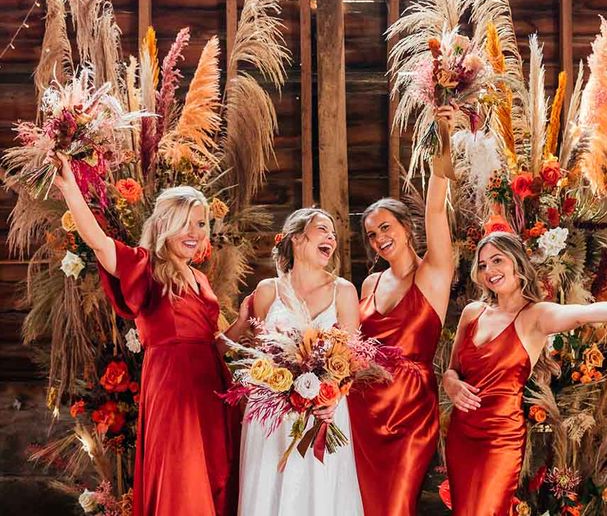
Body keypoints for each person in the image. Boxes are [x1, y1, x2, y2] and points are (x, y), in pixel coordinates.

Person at [52, 154, 240, 516]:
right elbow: (98, 242)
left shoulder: (199, 279)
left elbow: (214, 341)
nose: (194, 232)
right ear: (165, 225)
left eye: (200, 224)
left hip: (211, 387)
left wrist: (246, 322)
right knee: (182, 475)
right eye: (184, 223)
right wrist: (70, 187)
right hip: (173, 387)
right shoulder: (145, 264)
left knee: (217, 472)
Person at [443, 231, 607, 516]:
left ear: (517, 263)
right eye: (483, 264)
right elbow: (452, 370)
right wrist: (451, 384)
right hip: (461, 436)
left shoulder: (536, 315)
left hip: (500, 439)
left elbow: (583, 313)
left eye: (497, 260)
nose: (489, 271)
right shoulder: (473, 313)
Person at [348, 105, 457, 516]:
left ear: (406, 228)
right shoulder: (369, 284)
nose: (378, 239)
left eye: (385, 228)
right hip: (362, 407)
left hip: (409, 411)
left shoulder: (434, 274)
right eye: (372, 235)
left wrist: (441, 135)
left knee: (395, 505)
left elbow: (434, 208)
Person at [226, 207, 363, 516]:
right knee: (269, 486)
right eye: (322, 229)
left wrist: (333, 397)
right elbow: (262, 357)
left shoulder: (343, 291)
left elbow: (351, 358)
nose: (331, 236)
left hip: (325, 414)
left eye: (333, 233)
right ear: (297, 239)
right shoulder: (266, 291)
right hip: (272, 416)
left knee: (322, 492)